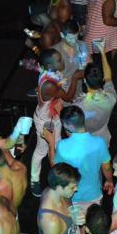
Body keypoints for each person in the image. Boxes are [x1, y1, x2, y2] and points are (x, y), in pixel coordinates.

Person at [44, 105, 114, 225]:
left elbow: (56, 169)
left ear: (66, 127)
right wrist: (109, 180)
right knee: (91, 224)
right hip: (93, 194)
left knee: (75, 224)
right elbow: (106, 167)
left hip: (70, 197)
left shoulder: (62, 146)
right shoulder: (99, 143)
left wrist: (51, 143)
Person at [30, 48, 78, 197]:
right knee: (41, 150)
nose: (62, 61)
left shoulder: (51, 72)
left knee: (57, 145)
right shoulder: (50, 85)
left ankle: (60, 173)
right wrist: (75, 78)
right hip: (44, 120)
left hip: (53, 115)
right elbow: (68, 97)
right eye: (58, 60)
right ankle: (34, 180)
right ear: (49, 65)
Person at [70, 42, 117, 146]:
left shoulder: (78, 106)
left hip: (85, 143)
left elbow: (72, 127)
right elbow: (108, 78)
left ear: (85, 81)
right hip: (103, 140)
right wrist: (102, 52)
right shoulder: (111, 97)